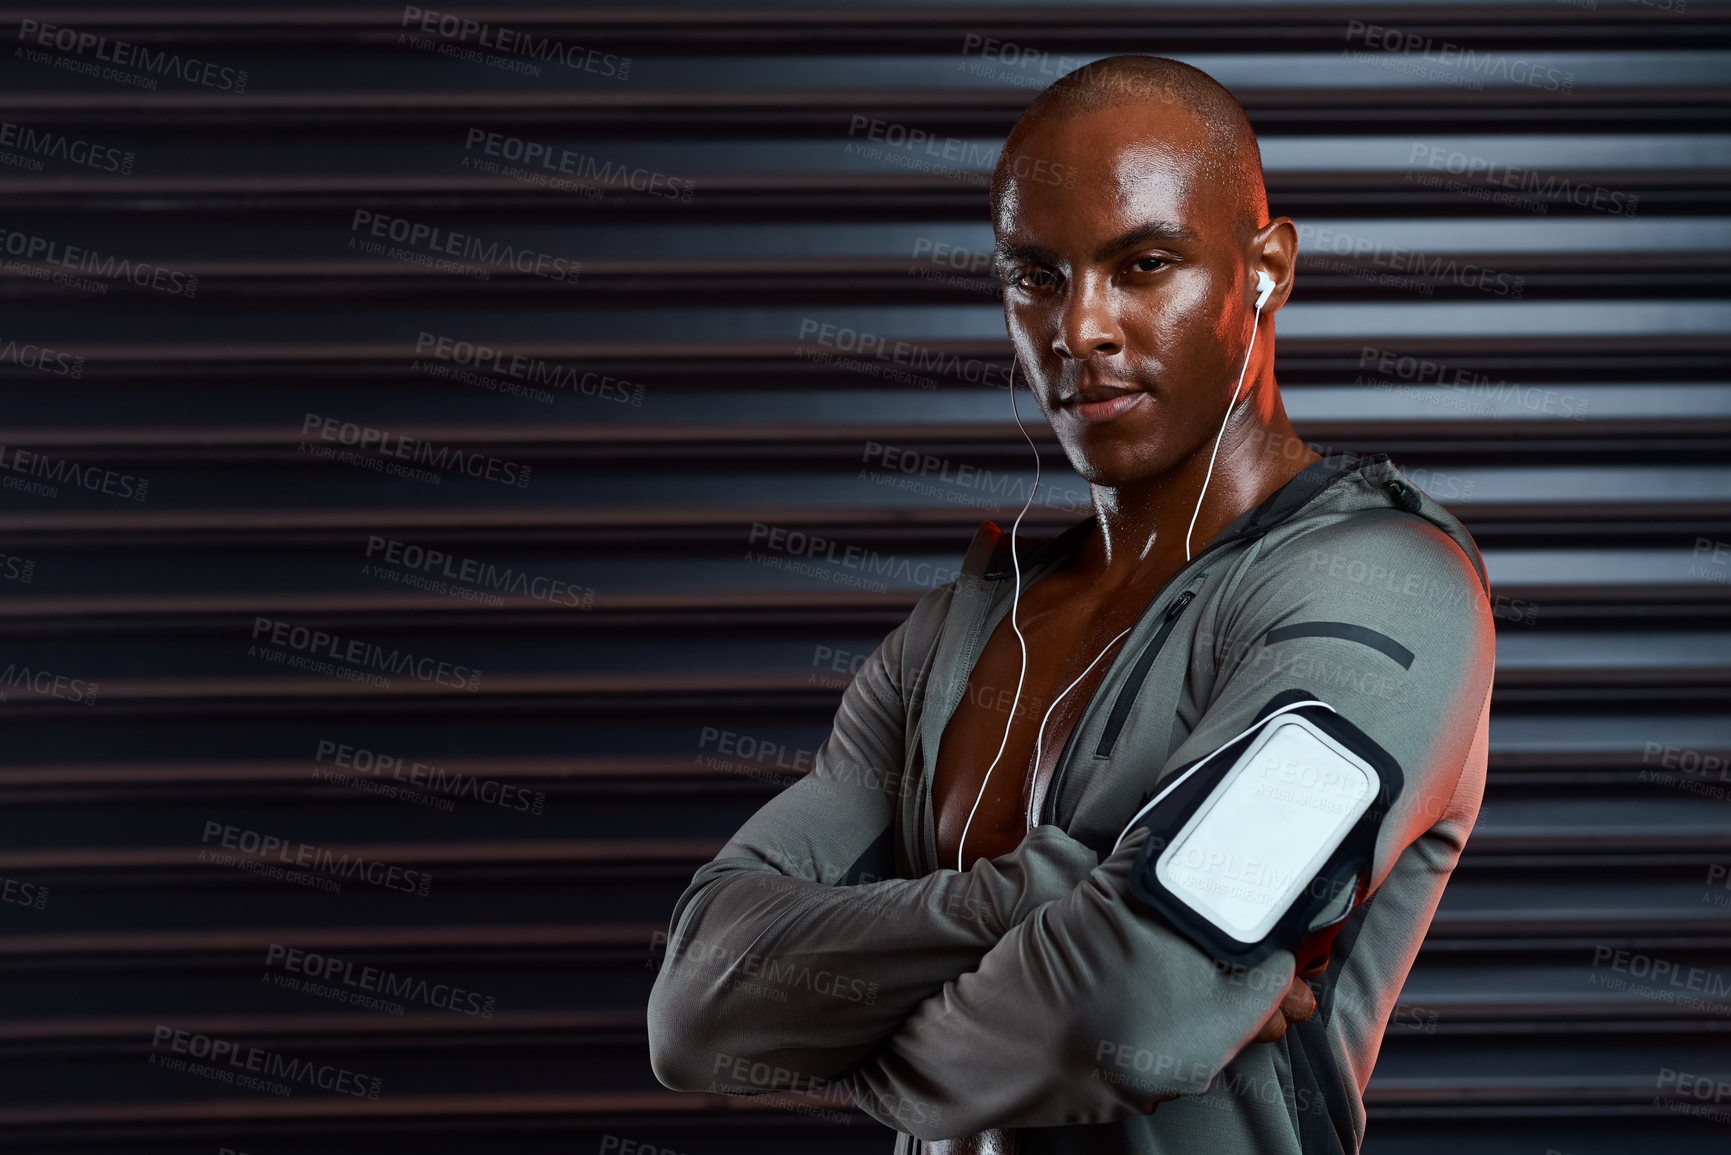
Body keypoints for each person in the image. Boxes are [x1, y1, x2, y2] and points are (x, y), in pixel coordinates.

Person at [647, 54, 1495, 1154]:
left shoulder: (1386, 589)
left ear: (1267, 270)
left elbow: (1117, 1014)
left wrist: (847, 1046)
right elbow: (699, 1004)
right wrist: (1063, 888)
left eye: (1144, 265)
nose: (1079, 329)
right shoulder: (961, 632)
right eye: (1036, 277)